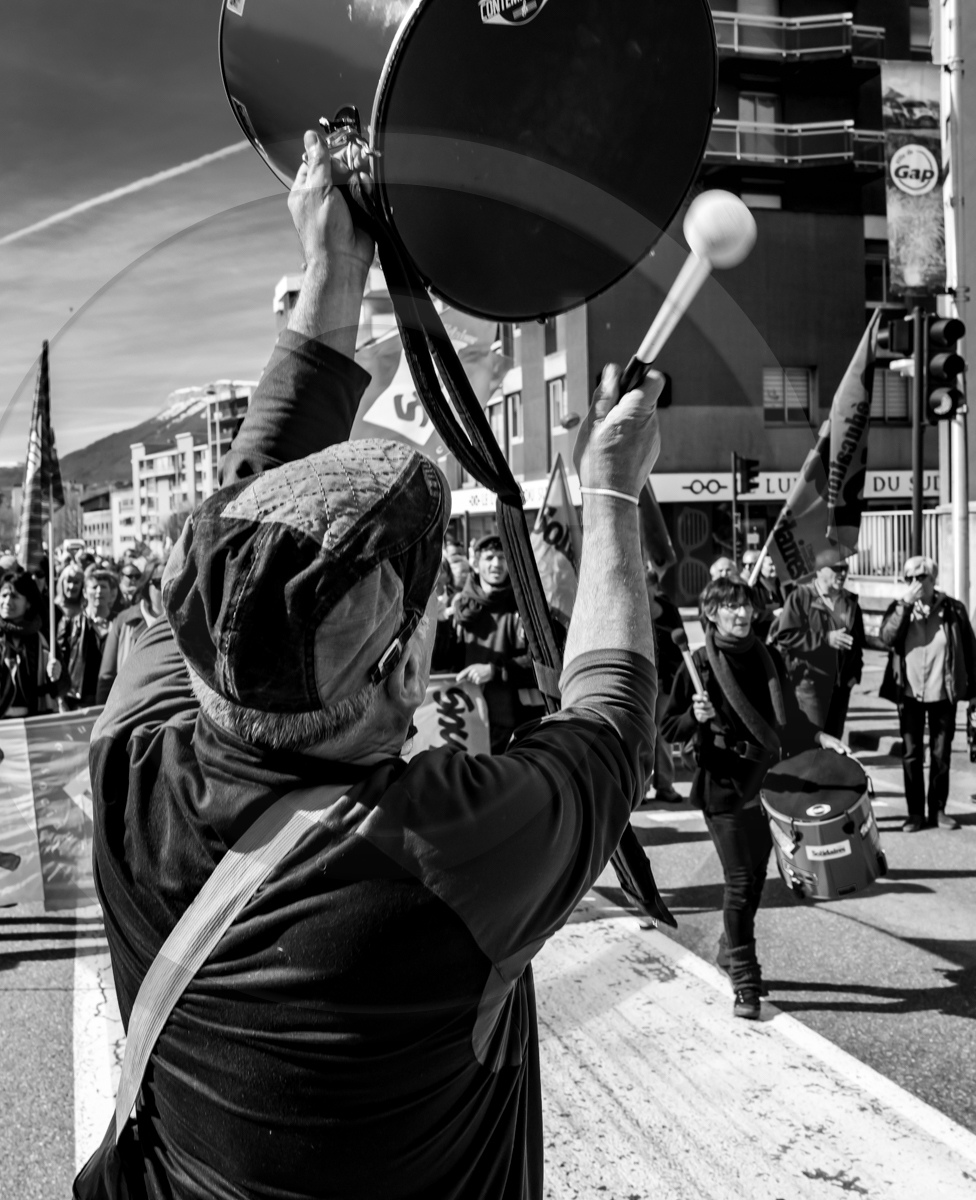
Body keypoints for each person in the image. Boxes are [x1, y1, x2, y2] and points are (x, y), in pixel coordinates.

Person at [88, 128, 660, 1198]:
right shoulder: (447, 852)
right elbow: (615, 719)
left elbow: (244, 516)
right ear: (403, 682)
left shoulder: (128, 760)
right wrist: (617, 490)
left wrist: (332, 271)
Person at [663, 576, 846, 1019]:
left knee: (756, 881)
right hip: (723, 786)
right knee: (741, 881)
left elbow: (791, 720)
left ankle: (730, 949)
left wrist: (822, 737)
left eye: (745, 605)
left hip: (767, 784)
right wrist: (694, 715)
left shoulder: (769, 659)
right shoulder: (700, 665)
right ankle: (745, 978)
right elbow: (669, 728)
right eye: (731, 607)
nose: (742, 614)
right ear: (711, 614)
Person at [878, 555, 976, 832]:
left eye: (921, 577)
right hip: (909, 695)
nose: (914, 583)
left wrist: (974, 692)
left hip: (943, 693)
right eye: (909, 577)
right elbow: (886, 638)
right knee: (911, 754)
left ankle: (939, 810)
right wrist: (905, 605)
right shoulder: (899, 608)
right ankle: (915, 813)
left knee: (941, 754)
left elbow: (970, 651)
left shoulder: (954, 610)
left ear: (933, 580)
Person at [436, 532, 548, 753]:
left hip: (517, 729)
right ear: (476, 565)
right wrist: (439, 626)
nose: (496, 564)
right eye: (489, 558)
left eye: (502, 557)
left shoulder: (525, 608)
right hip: (465, 724)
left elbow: (540, 664)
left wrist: (494, 671)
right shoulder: (458, 608)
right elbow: (441, 662)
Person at [770, 560, 864, 737]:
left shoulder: (850, 601)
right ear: (819, 570)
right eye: (837, 568)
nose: (842, 573)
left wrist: (854, 676)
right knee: (813, 743)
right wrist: (826, 639)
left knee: (834, 745)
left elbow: (858, 643)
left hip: (841, 686)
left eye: (845, 568)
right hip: (810, 683)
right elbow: (786, 636)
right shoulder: (801, 596)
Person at [0, 571, 63, 720]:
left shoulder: (43, 638)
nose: (7, 602)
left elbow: (61, 687)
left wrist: (58, 674)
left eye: (14, 596)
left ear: (28, 603)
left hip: (37, 723)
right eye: (4, 595)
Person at [95, 560, 163, 704]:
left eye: (170, 580)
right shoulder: (124, 621)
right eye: (158, 582)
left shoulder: (183, 622)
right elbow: (106, 679)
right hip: (130, 709)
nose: (164, 588)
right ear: (146, 586)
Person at [648, 566, 684, 804]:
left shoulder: (668, 609)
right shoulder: (626, 609)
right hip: (639, 681)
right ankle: (637, 791)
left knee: (664, 736)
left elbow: (682, 644)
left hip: (664, 681)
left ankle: (665, 786)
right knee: (639, 735)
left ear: (654, 587)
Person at [56, 567, 113, 709]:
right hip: (79, 701)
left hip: (113, 699)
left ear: (112, 593)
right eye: (94, 587)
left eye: (103, 587)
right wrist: (60, 699)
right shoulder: (69, 623)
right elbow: (60, 662)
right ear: (85, 592)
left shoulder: (121, 624)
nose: (99, 591)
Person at [741, 549, 781, 638]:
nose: (747, 569)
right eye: (770, 564)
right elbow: (750, 613)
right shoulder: (752, 587)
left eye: (752, 565)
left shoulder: (783, 585)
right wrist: (771, 614)